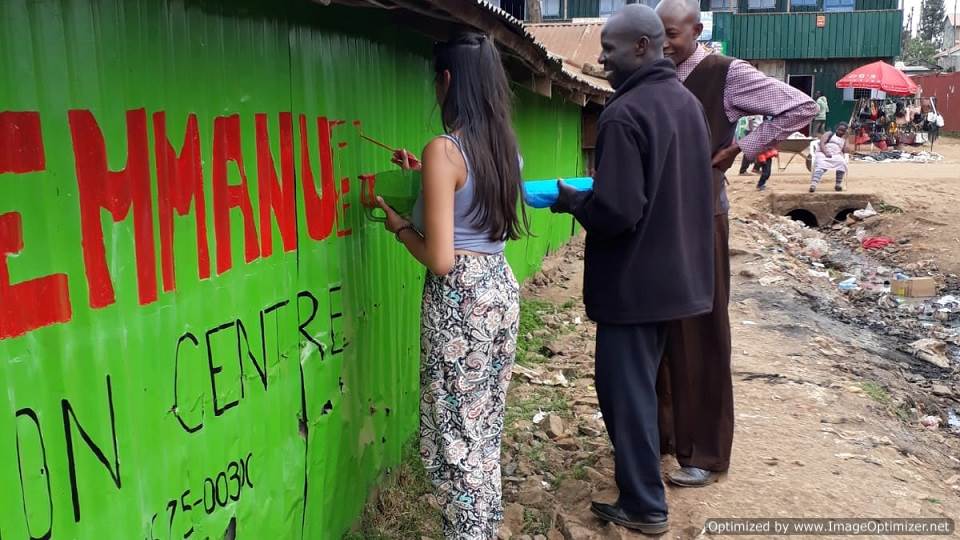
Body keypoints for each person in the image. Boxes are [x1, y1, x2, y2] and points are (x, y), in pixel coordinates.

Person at [550, 4, 715, 534]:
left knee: (626, 395)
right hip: (678, 279)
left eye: (610, 48)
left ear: (643, 47)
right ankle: (645, 491)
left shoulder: (624, 113)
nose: (601, 57)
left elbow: (618, 210)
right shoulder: (686, 105)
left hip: (634, 286)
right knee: (641, 387)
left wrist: (574, 202)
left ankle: (645, 506)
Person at [654, 0, 818, 488]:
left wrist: (742, 147)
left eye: (672, 34)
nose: (663, 43)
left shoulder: (723, 73)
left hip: (703, 218)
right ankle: (662, 437)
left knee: (701, 332)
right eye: (656, 34)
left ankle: (703, 451)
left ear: (696, 30)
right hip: (656, 221)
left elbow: (800, 106)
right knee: (659, 332)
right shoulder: (651, 73)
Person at [375, 32, 525, 540]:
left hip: (460, 301)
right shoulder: (503, 147)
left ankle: (467, 534)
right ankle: (479, 527)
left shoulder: (445, 149)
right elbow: (470, 206)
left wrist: (398, 225)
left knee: (456, 433)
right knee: (482, 426)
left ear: (446, 81)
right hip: (498, 289)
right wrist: (423, 176)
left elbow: (440, 258)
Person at [810, 122, 849, 193]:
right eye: (839, 129)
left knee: (842, 163)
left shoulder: (844, 139)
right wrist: (826, 152)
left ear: (845, 132)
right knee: (821, 164)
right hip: (823, 153)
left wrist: (846, 138)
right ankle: (813, 185)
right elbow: (822, 143)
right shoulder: (829, 134)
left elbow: (846, 150)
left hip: (836, 155)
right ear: (836, 128)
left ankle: (838, 184)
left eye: (842, 131)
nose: (840, 131)